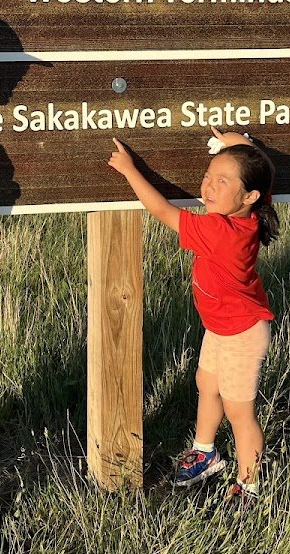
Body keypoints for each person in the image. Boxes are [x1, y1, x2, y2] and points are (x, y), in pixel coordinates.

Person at [107, 127, 279, 506]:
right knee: (206, 382)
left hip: (242, 333)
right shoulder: (252, 206)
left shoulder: (220, 230)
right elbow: (263, 168)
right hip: (221, 326)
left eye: (222, 181)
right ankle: (205, 452)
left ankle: (248, 485)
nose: (209, 187)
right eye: (208, 176)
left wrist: (130, 169)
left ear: (249, 196)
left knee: (239, 413)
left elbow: (161, 210)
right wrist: (237, 141)